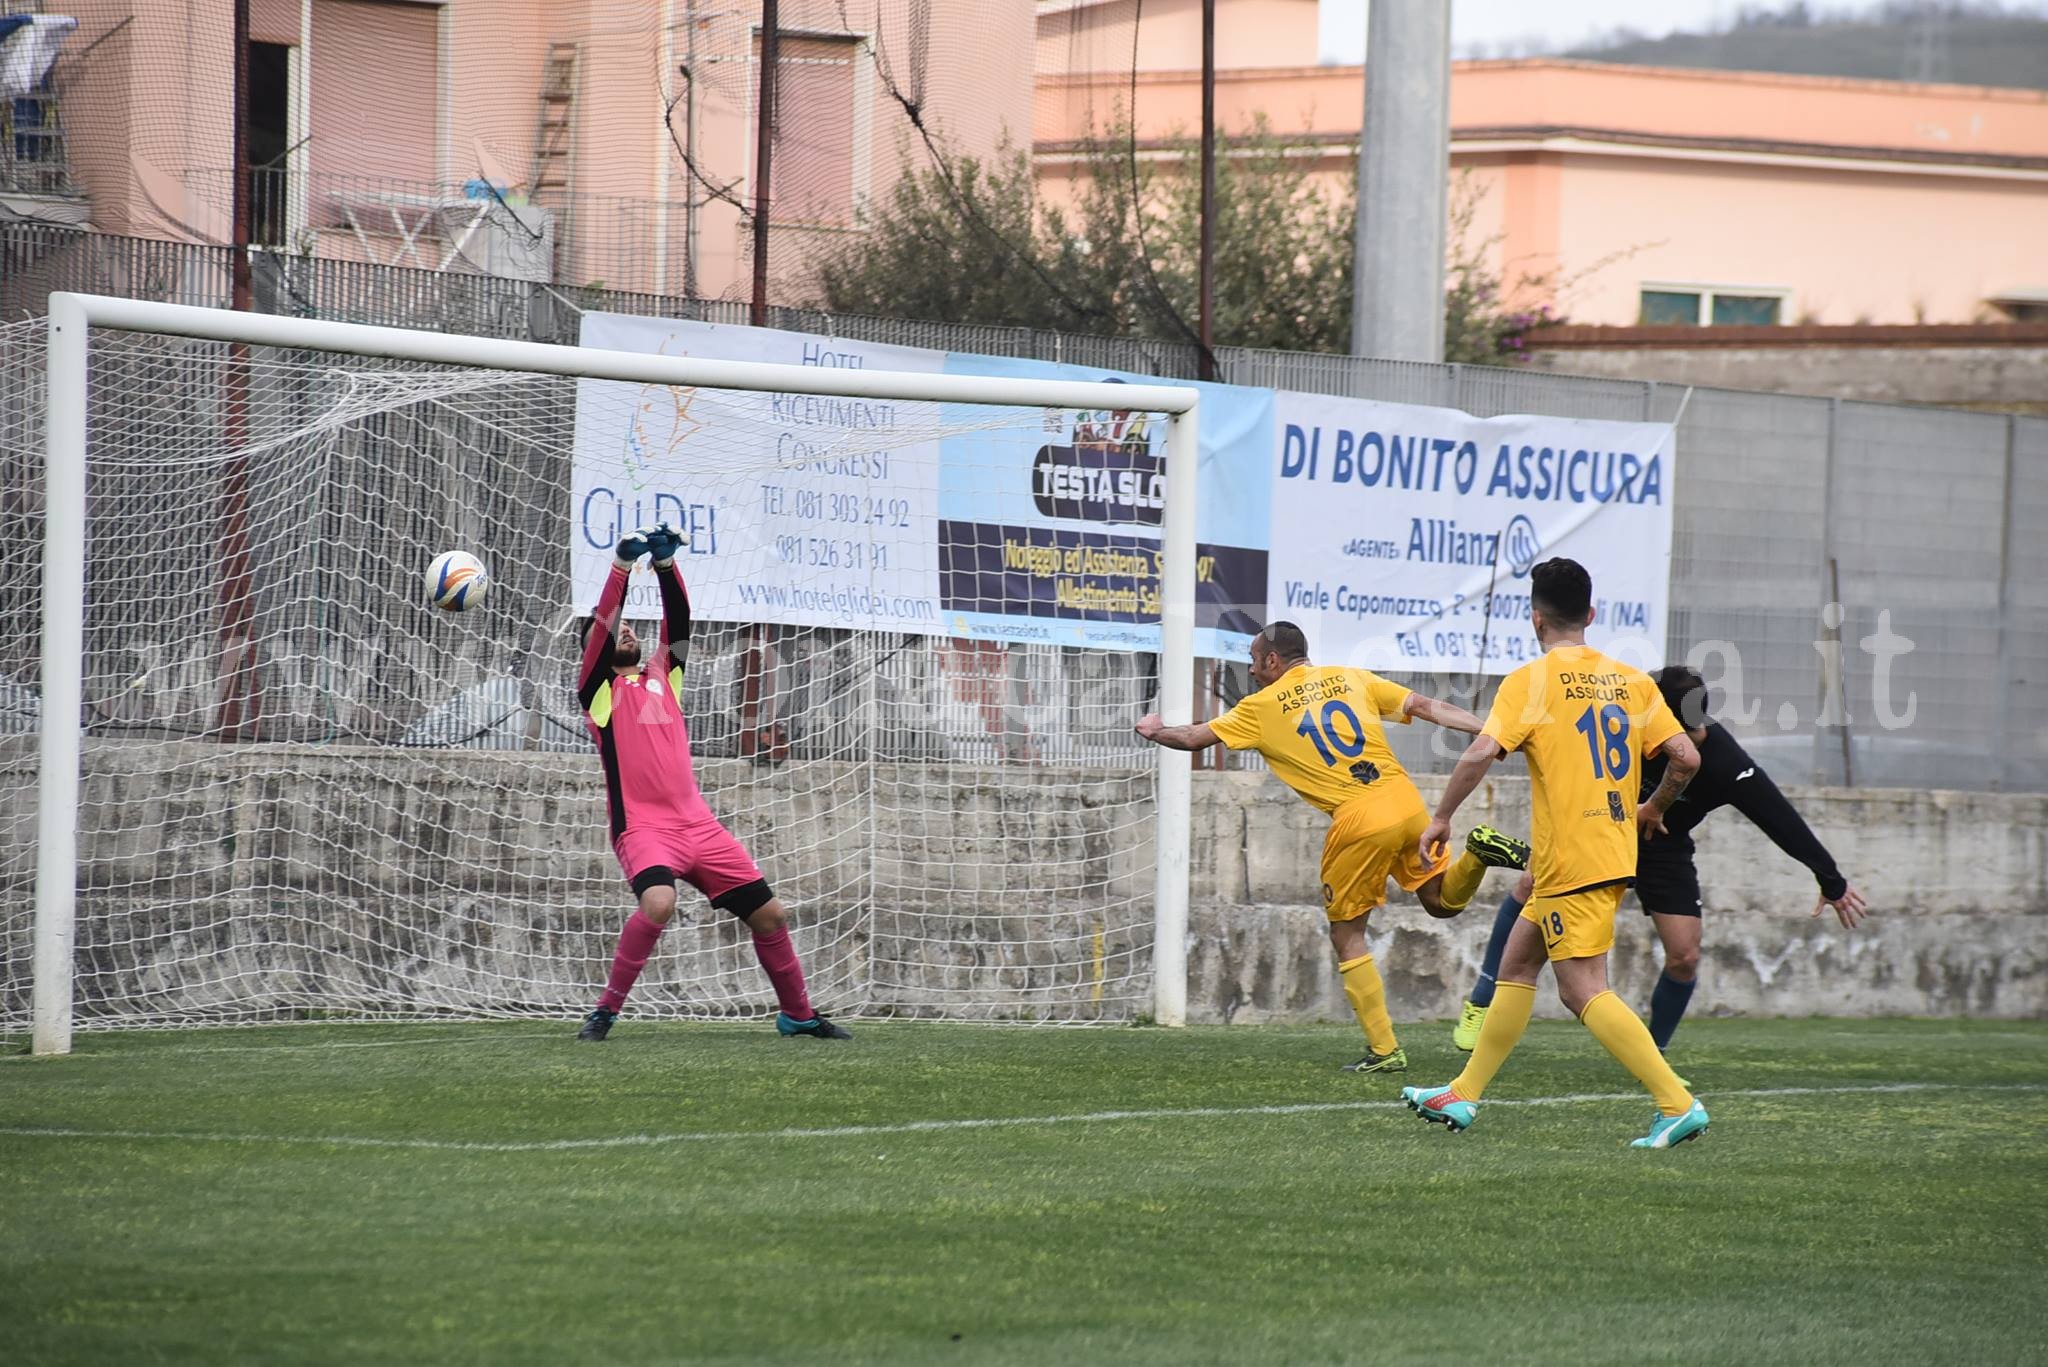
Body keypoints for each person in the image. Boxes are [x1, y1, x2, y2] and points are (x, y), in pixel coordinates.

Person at [1401, 558, 1708, 1148]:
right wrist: (1654, 808)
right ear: (1591, 615)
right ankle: (1463, 1095)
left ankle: (1677, 1102)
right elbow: (1686, 758)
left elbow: (1479, 752)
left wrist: (1441, 817)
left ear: (1535, 618)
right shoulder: (1633, 681)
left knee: (1582, 988)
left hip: (1574, 858)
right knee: (1518, 964)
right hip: (1603, 851)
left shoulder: (1531, 681)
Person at [1135, 621, 1529, 1074]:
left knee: (1347, 934)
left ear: (1272, 660)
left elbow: (1193, 738)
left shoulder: (1258, 707)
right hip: (1405, 801)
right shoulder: (1351, 676)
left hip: (1359, 819)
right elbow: (1426, 706)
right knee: (1440, 902)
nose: (1251, 669)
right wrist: (1489, 733)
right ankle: (1478, 852)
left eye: (1254, 660)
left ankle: (1385, 1051)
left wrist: (1155, 728)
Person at [1449, 666, 1870, 1056]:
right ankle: (1481, 1002)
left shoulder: (1725, 763)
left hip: (1663, 846)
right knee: (1530, 887)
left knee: (1685, 955)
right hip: (1601, 832)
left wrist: (1830, 879)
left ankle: (1653, 1053)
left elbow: (1778, 817)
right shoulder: (1624, 730)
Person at [574, 522, 850, 1043]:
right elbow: (604, 621)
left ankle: (799, 1016)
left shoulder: (664, 676)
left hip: (697, 825)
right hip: (645, 830)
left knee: (770, 916)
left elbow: (678, 621)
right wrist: (619, 569)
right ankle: (605, 1012)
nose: (625, 631)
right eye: (613, 631)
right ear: (595, 650)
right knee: (659, 904)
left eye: (631, 627)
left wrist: (664, 566)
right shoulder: (600, 697)